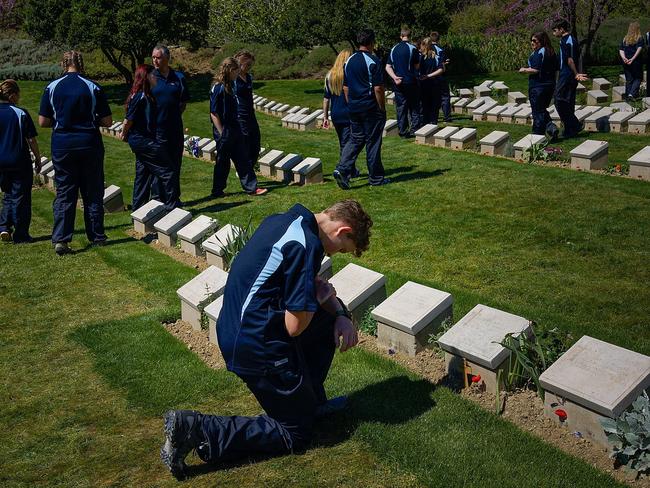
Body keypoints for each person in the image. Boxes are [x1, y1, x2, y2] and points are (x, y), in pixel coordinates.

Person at [160, 199, 372, 480]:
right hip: (254, 345)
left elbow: (307, 290)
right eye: (342, 248)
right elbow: (295, 326)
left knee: (326, 320)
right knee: (295, 433)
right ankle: (197, 428)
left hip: (239, 328)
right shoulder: (305, 245)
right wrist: (317, 299)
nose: (335, 253)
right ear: (342, 230)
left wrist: (339, 313)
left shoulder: (284, 222)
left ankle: (310, 401)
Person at [38, 51, 112, 255]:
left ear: (63, 64)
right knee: (93, 191)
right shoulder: (93, 87)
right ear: (81, 63)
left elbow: (43, 121)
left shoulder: (52, 87)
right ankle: (97, 235)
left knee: (65, 191)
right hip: (88, 142)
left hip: (63, 144)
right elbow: (106, 121)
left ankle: (61, 238)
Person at [333, 29, 389, 190]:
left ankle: (342, 169)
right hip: (370, 107)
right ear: (371, 42)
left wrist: (351, 103)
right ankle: (376, 178)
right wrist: (382, 108)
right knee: (373, 142)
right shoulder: (373, 61)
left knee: (356, 139)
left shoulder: (349, 61)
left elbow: (346, 88)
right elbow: (378, 88)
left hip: (354, 107)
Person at [120, 64, 178, 211]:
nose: (155, 77)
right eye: (153, 75)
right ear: (147, 77)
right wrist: (123, 132)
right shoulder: (141, 97)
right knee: (168, 171)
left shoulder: (145, 95)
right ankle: (172, 206)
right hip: (144, 141)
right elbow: (129, 119)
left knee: (143, 174)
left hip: (142, 140)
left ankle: (138, 209)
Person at [210, 57, 266, 197]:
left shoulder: (232, 85)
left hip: (236, 127)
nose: (238, 73)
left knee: (242, 158)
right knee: (223, 162)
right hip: (224, 130)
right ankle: (217, 190)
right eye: (236, 70)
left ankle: (251, 188)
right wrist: (221, 132)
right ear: (230, 70)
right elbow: (214, 112)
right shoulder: (218, 87)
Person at [0, 79, 40, 244]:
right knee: (21, 197)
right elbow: (31, 139)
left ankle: (3, 226)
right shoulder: (20, 113)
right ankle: (21, 233)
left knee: (8, 194)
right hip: (18, 159)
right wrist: (37, 158)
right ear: (12, 95)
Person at [151, 45, 189, 206]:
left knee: (174, 164)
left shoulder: (178, 77)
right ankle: (157, 198)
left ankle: (174, 197)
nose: (154, 60)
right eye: (153, 57)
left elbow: (183, 101)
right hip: (155, 129)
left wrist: (173, 116)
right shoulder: (150, 77)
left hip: (174, 129)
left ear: (166, 58)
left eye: (158, 57)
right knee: (159, 165)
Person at [322, 49, 359, 177]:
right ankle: (344, 170)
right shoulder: (348, 74)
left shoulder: (329, 75)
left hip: (336, 114)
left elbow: (326, 99)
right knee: (348, 143)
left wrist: (325, 117)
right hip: (348, 113)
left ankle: (352, 171)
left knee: (345, 142)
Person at [233, 50, 266, 187]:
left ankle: (247, 168)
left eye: (250, 66)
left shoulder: (249, 77)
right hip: (240, 115)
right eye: (247, 65)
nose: (248, 68)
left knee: (256, 144)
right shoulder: (234, 79)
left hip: (250, 114)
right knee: (245, 144)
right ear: (241, 63)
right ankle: (245, 172)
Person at [519, 32, 559, 138]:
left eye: (534, 41)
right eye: (531, 40)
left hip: (538, 86)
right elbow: (556, 69)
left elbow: (536, 69)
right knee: (541, 109)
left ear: (541, 41)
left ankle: (538, 134)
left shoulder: (539, 53)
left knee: (537, 111)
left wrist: (524, 70)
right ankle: (550, 127)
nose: (532, 43)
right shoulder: (551, 52)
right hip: (549, 85)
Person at [385, 25, 421, 137]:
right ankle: (414, 128)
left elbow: (387, 66)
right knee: (414, 106)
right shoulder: (413, 49)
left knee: (401, 106)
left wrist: (394, 77)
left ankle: (402, 130)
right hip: (410, 81)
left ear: (401, 36)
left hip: (398, 82)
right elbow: (417, 65)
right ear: (409, 36)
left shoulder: (393, 49)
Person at [552, 20, 584, 139]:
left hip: (568, 74)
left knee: (558, 99)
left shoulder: (569, 40)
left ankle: (574, 124)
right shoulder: (564, 40)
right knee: (567, 101)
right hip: (564, 73)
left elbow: (570, 60)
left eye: (555, 30)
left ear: (562, 29)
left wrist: (576, 74)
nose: (553, 33)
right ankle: (570, 129)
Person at [418, 37, 445, 125]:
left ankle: (424, 124)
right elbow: (441, 69)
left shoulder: (420, 57)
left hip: (424, 83)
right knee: (434, 106)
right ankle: (433, 124)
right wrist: (429, 76)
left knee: (424, 105)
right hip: (434, 82)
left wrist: (424, 76)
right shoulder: (436, 56)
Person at [430, 32, 452, 122]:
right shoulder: (440, 49)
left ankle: (433, 117)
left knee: (433, 97)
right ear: (438, 39)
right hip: (439, 75)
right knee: (445, 96)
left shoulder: (426, 48)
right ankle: (447, 116)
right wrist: (446, 62)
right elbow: (443, 62)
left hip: (429, 75)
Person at [619, 21, 644, 100]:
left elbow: (621, 50)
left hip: (626, 62)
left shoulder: (625, 38)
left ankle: (628, 96)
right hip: (636, 62)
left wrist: (624, 58)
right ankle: (632, 94)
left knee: (629, 79)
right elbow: (639, 49)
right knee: (638, 78)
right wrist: (632, 59)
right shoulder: (639, 38)